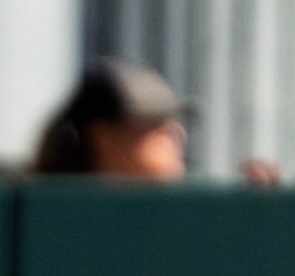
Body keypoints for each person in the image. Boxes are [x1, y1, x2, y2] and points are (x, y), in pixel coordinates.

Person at [31, 56, 281, 184]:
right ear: (102, 136)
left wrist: (261, 214)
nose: (177, 133)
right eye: (155, 122)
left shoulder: (183, 216)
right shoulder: (51, 221)